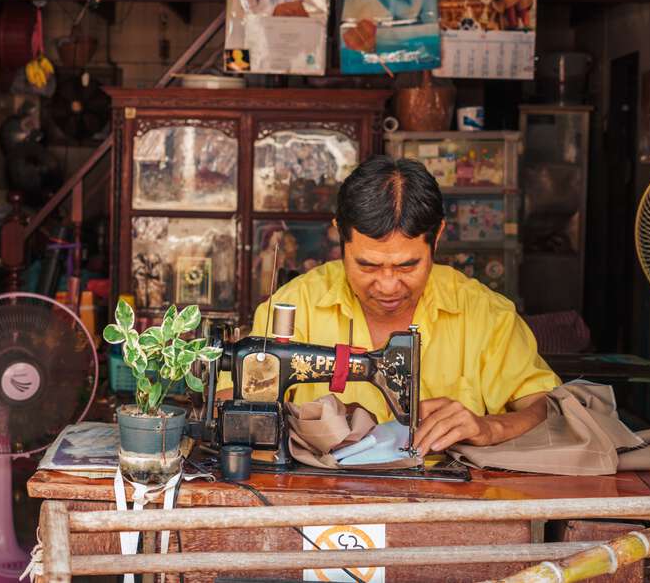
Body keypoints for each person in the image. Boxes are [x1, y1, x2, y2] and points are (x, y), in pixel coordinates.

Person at [219, 156, 560, 455]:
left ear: (437, 237)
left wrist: (491, 428)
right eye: (367, 265)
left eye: (407, 266)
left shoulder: (483, 313)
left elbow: (547, 406)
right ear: (340, 234)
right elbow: (231, 401)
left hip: (446, 502)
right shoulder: (294, 308)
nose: (387, 285)